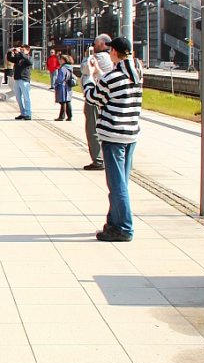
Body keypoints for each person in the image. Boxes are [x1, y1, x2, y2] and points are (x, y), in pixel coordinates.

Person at [83, 35, 142, 242]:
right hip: (130, 134)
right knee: (121, 182)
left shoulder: (113, 77)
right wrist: (100, 74)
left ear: (114, 52)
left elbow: (93, 97)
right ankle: (114, 223)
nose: (109, 53)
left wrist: (89, 77)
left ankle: (124, 228)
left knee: (116, 185)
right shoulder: (136, 73)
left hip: (113, 134)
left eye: (110, 51)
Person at [81, 34, 113, 169]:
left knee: (93, 128)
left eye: (96, 43)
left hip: (94, 98)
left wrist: (88, 58)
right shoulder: (110, 58)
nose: (94, 45)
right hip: (106, 98)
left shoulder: (99, 57)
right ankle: (105, 158)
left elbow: (85, 69)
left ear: (103, 44)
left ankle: (98, 160)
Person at [10, 45, 33, 120]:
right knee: (18, 98)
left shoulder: (29, 57)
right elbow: (10, 59)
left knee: (26, 97)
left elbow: (28, 62)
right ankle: (23, 113)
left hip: (24, 79)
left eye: (23, 50)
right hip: (17, 79)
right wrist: (10, 52)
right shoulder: (19, 58)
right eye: (21, 50)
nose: (21, 51)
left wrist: (20, 52)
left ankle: (28, 114)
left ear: (27, 51)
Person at [53, 53, 75, 120]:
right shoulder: (70, 67)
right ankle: (69, 116)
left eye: (60, 59)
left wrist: (56, 83)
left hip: (62, 86)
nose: (59, 60)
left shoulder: (63, 68)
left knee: (62, 101)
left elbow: (60, 78)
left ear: (64, 60)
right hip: (68, 86)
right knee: (68, 101)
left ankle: (61, 116)